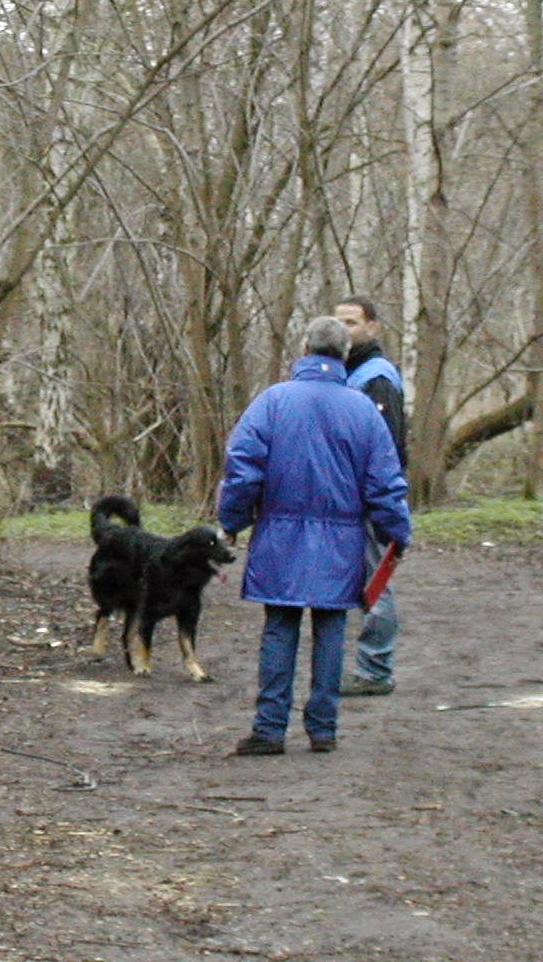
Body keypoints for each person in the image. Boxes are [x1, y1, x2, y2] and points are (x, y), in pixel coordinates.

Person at [218, 317, 411, 756]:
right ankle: (323, 729)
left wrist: (231, 522)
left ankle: (269, 728)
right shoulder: (362, 410)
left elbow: (242, 468)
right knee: (331, 628)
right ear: (345, 353)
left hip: (279, 533)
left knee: (279, 627)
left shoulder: (272, 402)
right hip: (341, 539)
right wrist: (397, 532)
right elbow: (385, 481)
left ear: (304, 347)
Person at [334, 296, 406, 697]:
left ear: (372, 327)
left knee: (376, 584)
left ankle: (376, 669)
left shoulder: (376, 378)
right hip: (350, 498)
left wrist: (381, 503)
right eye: (339, 322)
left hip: (371, 499)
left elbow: (386, 450)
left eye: (352, 322)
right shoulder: (348, 372)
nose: (344, 329)